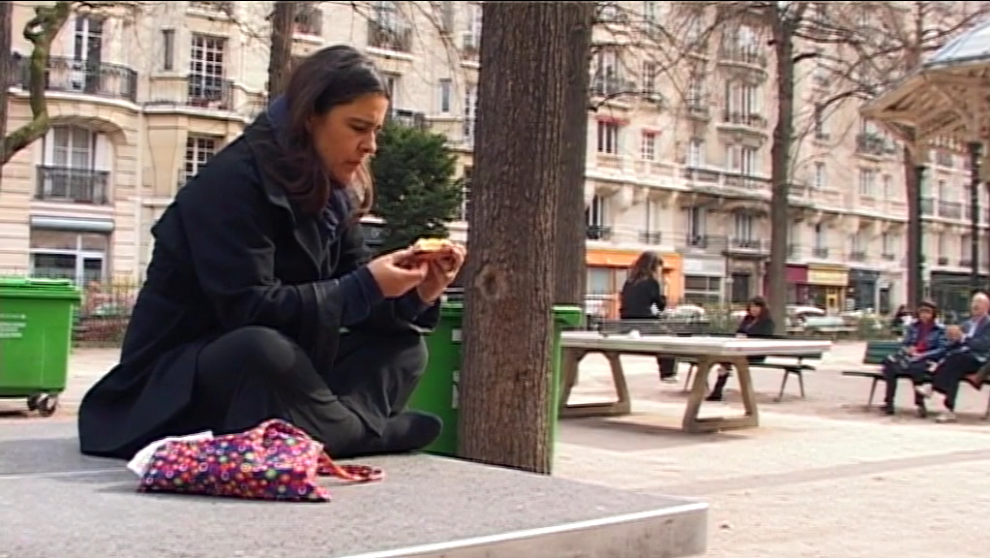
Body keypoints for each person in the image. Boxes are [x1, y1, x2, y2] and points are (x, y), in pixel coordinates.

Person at [77, 45, 467, 460]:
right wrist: (363, 286)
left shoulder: (333, 193)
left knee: (403, 347)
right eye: (358, 128)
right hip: (179, 382)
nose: (370, 146)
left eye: (376, 131)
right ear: (310, 117)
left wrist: (417, 292)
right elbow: (249, 309)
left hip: (291, 372)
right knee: (260, 349)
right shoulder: (232, 183)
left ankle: (330, 431)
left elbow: (357, 300)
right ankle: (358, 434)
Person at [921, 292, 990, 423]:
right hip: (960, 359)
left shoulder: (988, 324)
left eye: (979, 303)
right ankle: (949, 410)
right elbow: (955, 344)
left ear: (987, 306)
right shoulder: (967, 324)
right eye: (973, 302)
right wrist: (953, 337)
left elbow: (984, 345)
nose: (975, 305)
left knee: (955, 359)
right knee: (954, 370)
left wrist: (963, 337)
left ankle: (932, 387)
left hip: (979, 360)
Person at [879, 300, 946, 417]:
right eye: (922, 312)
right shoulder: (913, 326)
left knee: (917, 368)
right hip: (909, 358)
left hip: (926, 359)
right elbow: (905, 343)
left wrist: (923, 354)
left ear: (933, 314)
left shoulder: (939, 329)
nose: (924, 315)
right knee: (890, 365)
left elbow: (941, 349)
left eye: (928, 312)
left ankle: (920, 403)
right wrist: (908, 349)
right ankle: (889, 402)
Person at [619, 251, 678, 382]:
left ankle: (667, 372)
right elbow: (658, 305)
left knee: (663, 333)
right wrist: (664, 291)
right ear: (654, 266)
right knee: (670, 339)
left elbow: (645, 304)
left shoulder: (629, 282)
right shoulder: (652, 282)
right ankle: (667, 373)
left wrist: (657, 313)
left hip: (626, 322)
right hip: (644, 322)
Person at [705, 296, 776, 402]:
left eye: (757, 307)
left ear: (762, 308)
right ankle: (717, 390)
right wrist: (740, 335)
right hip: (741, 350)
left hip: (756, 352)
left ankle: (718, 390)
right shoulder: (747, 319)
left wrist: (748, 338)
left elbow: (764, 337)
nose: (754, 309)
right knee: (724, 359)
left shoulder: (767, 322)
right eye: (752, 306)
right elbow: (740, 331)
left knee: (727, 360)